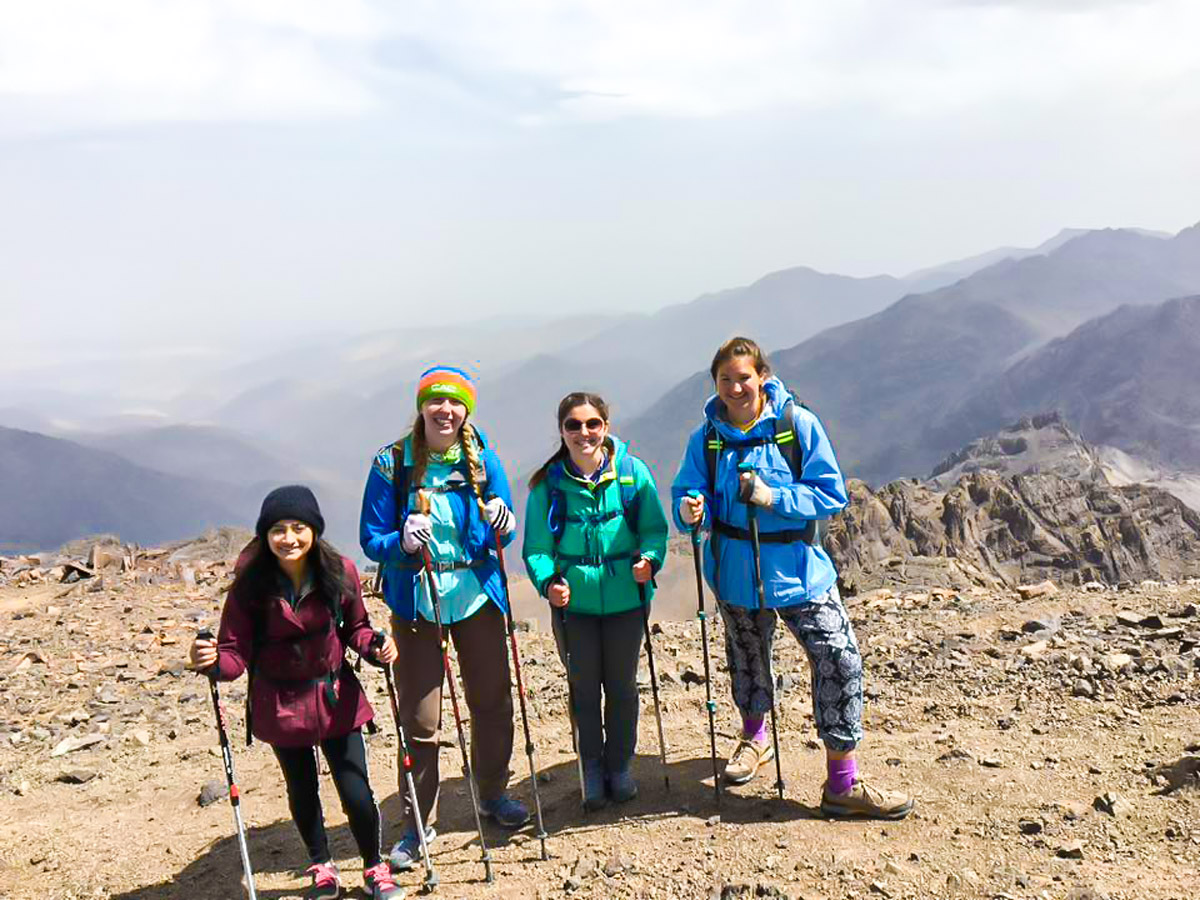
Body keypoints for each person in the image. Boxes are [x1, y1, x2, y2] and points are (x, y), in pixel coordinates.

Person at [671, 337, 913, 819]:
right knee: (747, 658)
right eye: (726, 380)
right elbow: (688, 490)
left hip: (800, 568)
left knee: (838, 658)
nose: (736, 388)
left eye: (744, 377)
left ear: (762, 375)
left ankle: (842, 782)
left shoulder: (794, 426)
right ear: (715, 384)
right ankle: (754, 740)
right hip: (735, 570)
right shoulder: (707, 438)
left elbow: (830, 495)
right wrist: (689, 508)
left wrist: (774, 497)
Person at [188, 485, 403, 900]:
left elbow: (356, 628)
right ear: (265, 535)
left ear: (315, 531)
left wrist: (376, 646)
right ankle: (321, 866)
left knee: (355, 787)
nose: (289, 538)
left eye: (298, 527)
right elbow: (234, 653)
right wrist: (211, 663)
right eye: (279, 529)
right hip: (280, 703)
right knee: (302, 789)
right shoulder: (250, 586)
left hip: (335, 697)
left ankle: (374, 866)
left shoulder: (340, 573)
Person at [359, 365, 527, 872]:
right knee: (421, 720)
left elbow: (502, 520)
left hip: (475, 593)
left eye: (455, 403)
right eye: (436, 402)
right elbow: (371, 536)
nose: (446, 411)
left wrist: (506, 521)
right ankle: (417, 825)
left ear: (466, 410)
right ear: (422, 407)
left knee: (492, 700)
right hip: (418, 601)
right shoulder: (392, 463)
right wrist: (400, 541)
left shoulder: (482, 459)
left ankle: (492, 794)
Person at [522, 392, 669, 810]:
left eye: (591, 424)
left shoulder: (631, 474)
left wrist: (651, 560)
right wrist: (549, 581)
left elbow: (654, 529)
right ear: (562, 431)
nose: (583, 432)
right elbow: (536, 547)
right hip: (575, 607)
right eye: (573, 425)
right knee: (584, 689)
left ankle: (618, 766)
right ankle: (591, 766)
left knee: (622, 688)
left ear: (605, 426)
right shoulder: (547, 487)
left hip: (627, 599)